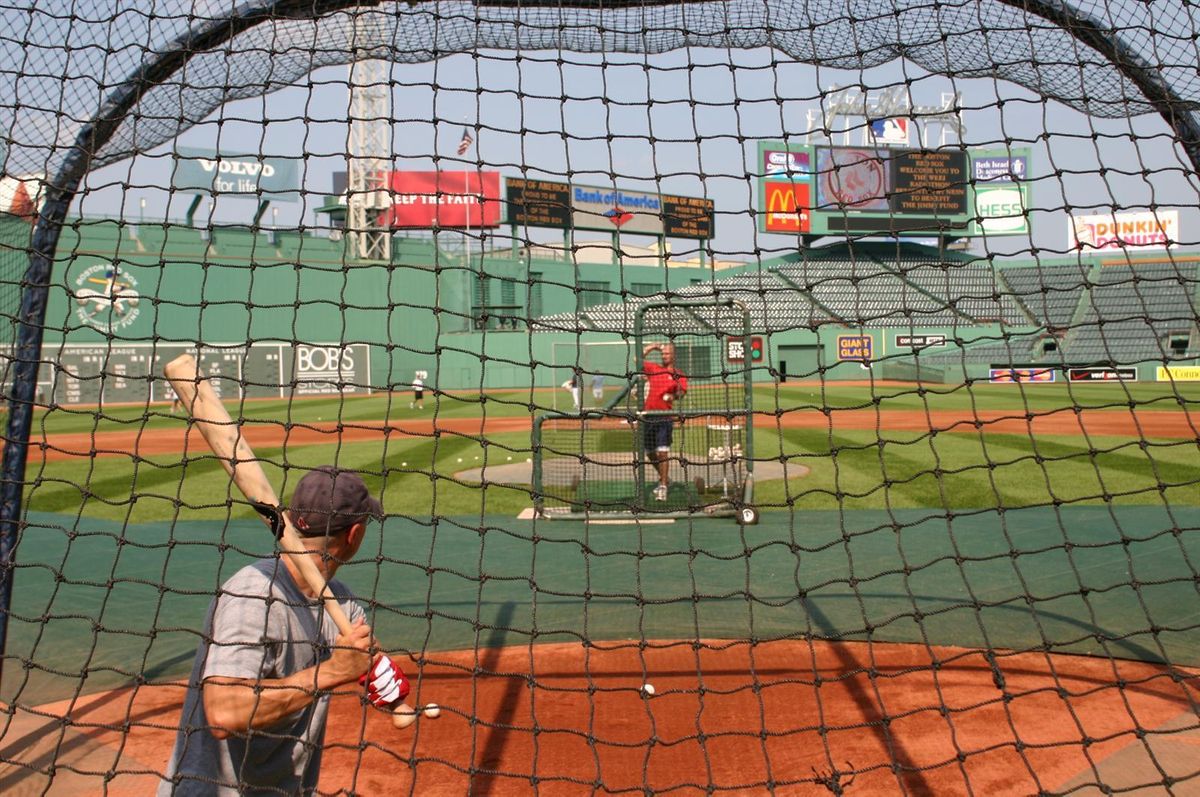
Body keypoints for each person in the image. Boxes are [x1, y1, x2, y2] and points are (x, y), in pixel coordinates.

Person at [158, 467, 408, 796]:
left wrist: (385, 684)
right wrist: (331, 672)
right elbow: (224, 712)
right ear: (355, 534)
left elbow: (363, 660)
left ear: (290, 518)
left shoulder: (343, 604)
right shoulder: (252, 594)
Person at [641, 343, 688, 501]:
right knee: (649, 452)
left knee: (663, 452)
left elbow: (681, 392)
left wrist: (673, 396)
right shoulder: (653, 369)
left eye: (668, 353)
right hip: (648, 417)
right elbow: (637, 360)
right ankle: (665, 478)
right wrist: (652, 347)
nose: (665, 355)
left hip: (665, 418)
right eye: (663, 353)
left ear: (674, 355)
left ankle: (663, 486)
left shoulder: (678, 374)